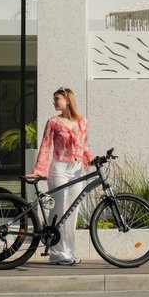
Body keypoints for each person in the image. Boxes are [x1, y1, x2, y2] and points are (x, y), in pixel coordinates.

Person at [28, 86, 92, 266]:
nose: (54, 102)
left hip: (77, 169)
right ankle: (57, 254)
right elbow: (46, 147)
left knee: (72, 212)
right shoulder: (53, 122)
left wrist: (92, 160)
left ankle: (69, 253)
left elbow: (84, 146)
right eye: (54, 99)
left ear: (67, 100)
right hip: (59, 169)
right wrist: (39, 170)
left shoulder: (83, 122)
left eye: (57, 99)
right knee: (59, 209)